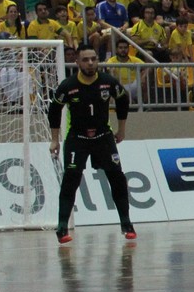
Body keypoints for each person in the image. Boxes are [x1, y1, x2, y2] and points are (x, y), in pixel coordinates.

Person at [46, 45, 135, 243]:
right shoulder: (68, 85)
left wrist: (121, 129)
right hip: (77, 138)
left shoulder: (107, 82)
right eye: (85, 60)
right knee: (71, 179)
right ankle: (62, 227)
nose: (90, 63)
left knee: (117, 177)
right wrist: (54, 139)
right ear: (77, 62)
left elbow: (123, 100)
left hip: (103, 136)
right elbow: (54, 110)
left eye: (94, 59)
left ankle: (126, 223)